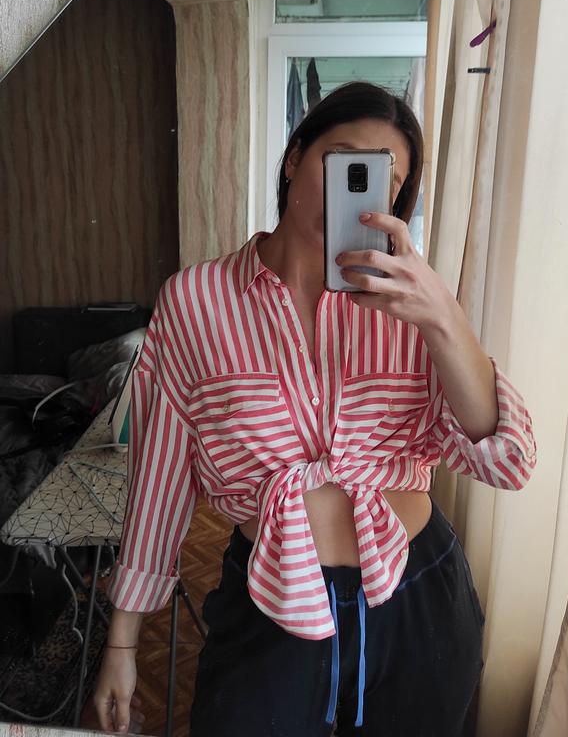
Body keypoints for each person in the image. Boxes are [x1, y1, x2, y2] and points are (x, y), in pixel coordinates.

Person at [93, 82, 537, 736]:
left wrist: (443, 319)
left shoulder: (414, 303)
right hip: (268, 601)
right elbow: (160, 480)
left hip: (417, 595)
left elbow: (507, 461)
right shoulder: (196, 302)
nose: (356, 192)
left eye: (383, 182)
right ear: (295, 157)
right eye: (343, 160)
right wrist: (122, 642)